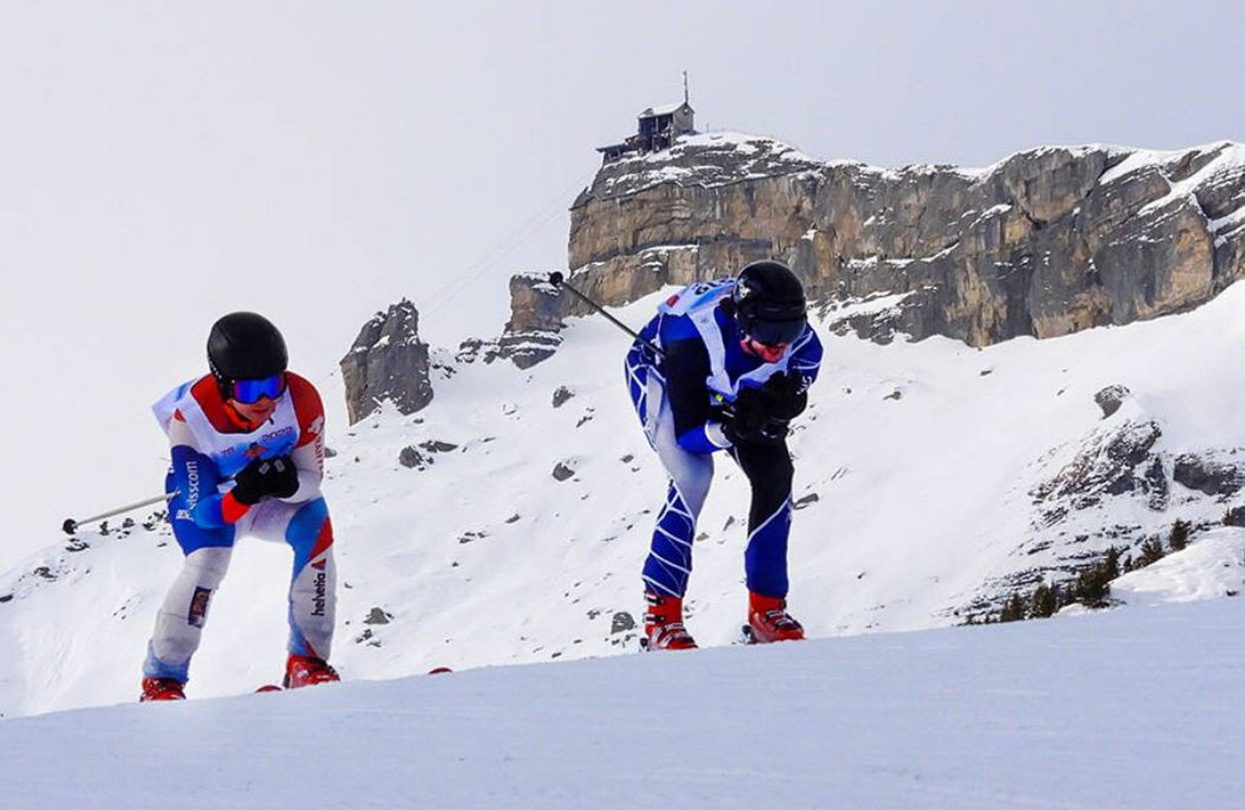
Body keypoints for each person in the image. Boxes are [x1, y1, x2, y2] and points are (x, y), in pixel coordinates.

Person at [625, 260, 823, 650]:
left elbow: (798, 382)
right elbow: (689, 435)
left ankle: (766, 608)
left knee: (776, 473)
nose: (779, 346)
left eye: (790, 332)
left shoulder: (801, 340)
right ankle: (660, 618)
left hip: (727, 380)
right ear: (743, 320)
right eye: (768, 334)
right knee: (693, 477)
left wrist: (782, 403)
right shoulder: (692, 333)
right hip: (666, 370)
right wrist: (731, 428)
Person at [140, 312, 339, 700]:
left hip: (266, 500)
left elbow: (312, 481)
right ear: (223, 385)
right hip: (214, 501)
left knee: (316, 525)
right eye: (250, 391)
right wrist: (242, 495)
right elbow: (206, 514)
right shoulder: (191, 420)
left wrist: (287, 483)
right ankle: (162, 679)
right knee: (208, 560)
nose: (265, 400)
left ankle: (307, 662)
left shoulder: (300, 399)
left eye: (272, 384)